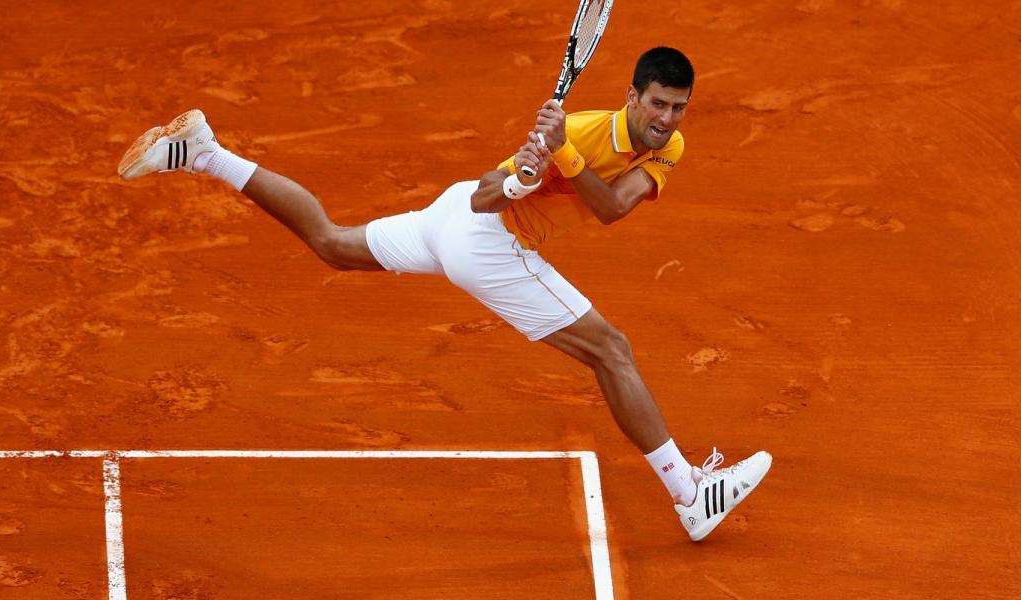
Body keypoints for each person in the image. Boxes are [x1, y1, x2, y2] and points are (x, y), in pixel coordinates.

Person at [117, 47, 771, 541]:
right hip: (486, 240)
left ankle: (204, 153)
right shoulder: (587, 129)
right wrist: (522, 173)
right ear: (632, 97)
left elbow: (613, 208)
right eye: (657, 104)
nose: (667, 119)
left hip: (451, 217)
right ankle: (689, 496)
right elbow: (494, 192)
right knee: (611, 350)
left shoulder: (662, 146)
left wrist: (553, 158)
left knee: (332, 244)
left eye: (678, 106)